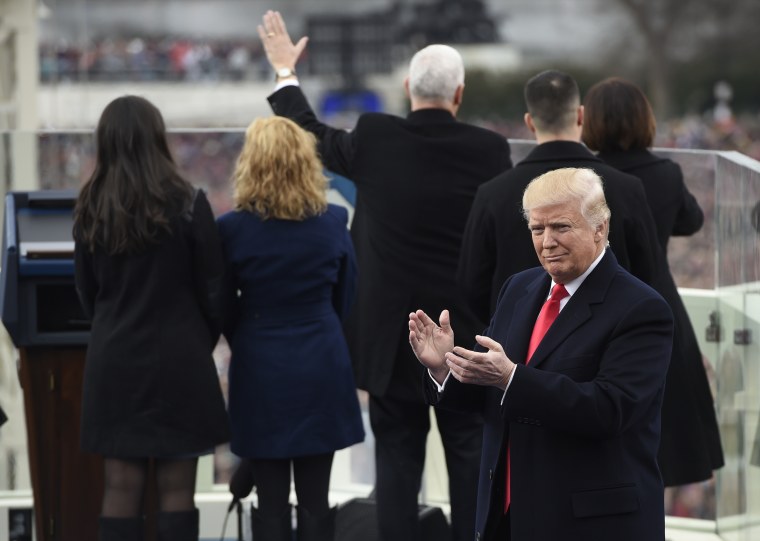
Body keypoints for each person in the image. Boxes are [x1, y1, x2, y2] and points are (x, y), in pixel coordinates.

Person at [257, 10, 513, 541]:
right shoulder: (491, 151)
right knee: (469, 456)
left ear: (406, 87)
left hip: (390, 337)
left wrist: (285, 71)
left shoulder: (376, 137)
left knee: (396, 465)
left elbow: (307, 133)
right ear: (460, 95)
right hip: (464, 333)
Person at [410, 167, 674, 541]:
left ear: (601, 227)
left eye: (561, 227)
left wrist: (512, 378)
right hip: (507, 517)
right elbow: (495, 392)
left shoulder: (642, 308)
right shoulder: (519, 288)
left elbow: (609, 409)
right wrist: (446, 369)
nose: (547, 241)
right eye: (537, 229)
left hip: (589, 525)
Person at [73, 95, 229, 541]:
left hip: (115, 360)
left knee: (120, 486)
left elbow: (87, 294)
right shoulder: (188, 202)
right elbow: (215, 292)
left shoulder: (90, 207)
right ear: (157, 138)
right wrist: (196, 339)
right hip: (180, 359)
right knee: (178, 489)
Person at [217, 116, 365, 541]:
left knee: (270, 498)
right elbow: (347, 295)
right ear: (306, 162)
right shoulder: (333, 221)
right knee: (317, 498)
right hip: (322, 359)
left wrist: (248, 335)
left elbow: (222, 306)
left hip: (260, 364)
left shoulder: (230, 229)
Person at [582, 76, 723, 486]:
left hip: (599, 312)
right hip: (659, 304)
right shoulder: (665, 173)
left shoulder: (585, 177)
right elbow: (691, 219)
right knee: (661, 444)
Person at [458, 69, 661, 323]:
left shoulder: (492, 194)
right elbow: (649, 275)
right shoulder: (627, 188)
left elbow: (471, 287)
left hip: (514, 350)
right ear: (580, 116)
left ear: (529, 122)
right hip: (608, 341)